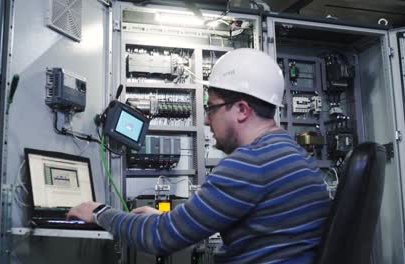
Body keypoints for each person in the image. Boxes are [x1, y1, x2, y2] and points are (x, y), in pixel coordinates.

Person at [67, 48, 331, 263]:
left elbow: (159, 239)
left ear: (241, 109)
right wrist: (164, 219)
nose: (205, 119)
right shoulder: (296, 157)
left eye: (212, 108)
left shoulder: (248, 165)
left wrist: (100, 212)